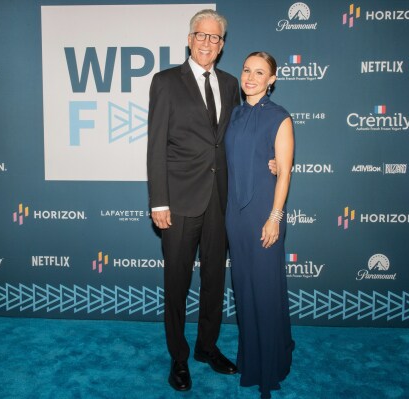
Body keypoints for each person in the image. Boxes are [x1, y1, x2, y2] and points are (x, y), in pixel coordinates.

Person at [147, 9, 240, 392]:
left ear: (222, 45)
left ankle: (206, 347)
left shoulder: (232, 83)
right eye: (201, 35)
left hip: (221, 201)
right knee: (176, 282)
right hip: (180, 200)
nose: (207, 42)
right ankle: (179, 357)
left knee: (215, 281)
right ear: (189, 39)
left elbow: (235, 139)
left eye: (215, 37)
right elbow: (156, 145)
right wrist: (159, 202)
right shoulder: (166, 81)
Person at [224, 52, 295, 399]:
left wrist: (274, 217)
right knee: (244, 290)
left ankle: (270, 367)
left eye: (260, 73)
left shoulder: (280, 118)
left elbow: (284, 171)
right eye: (247, 70)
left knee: (265, 292)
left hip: (264, 214)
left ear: (272, 80)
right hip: (234, 216)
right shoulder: (233, 115)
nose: (251, 77)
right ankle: (250, 359)